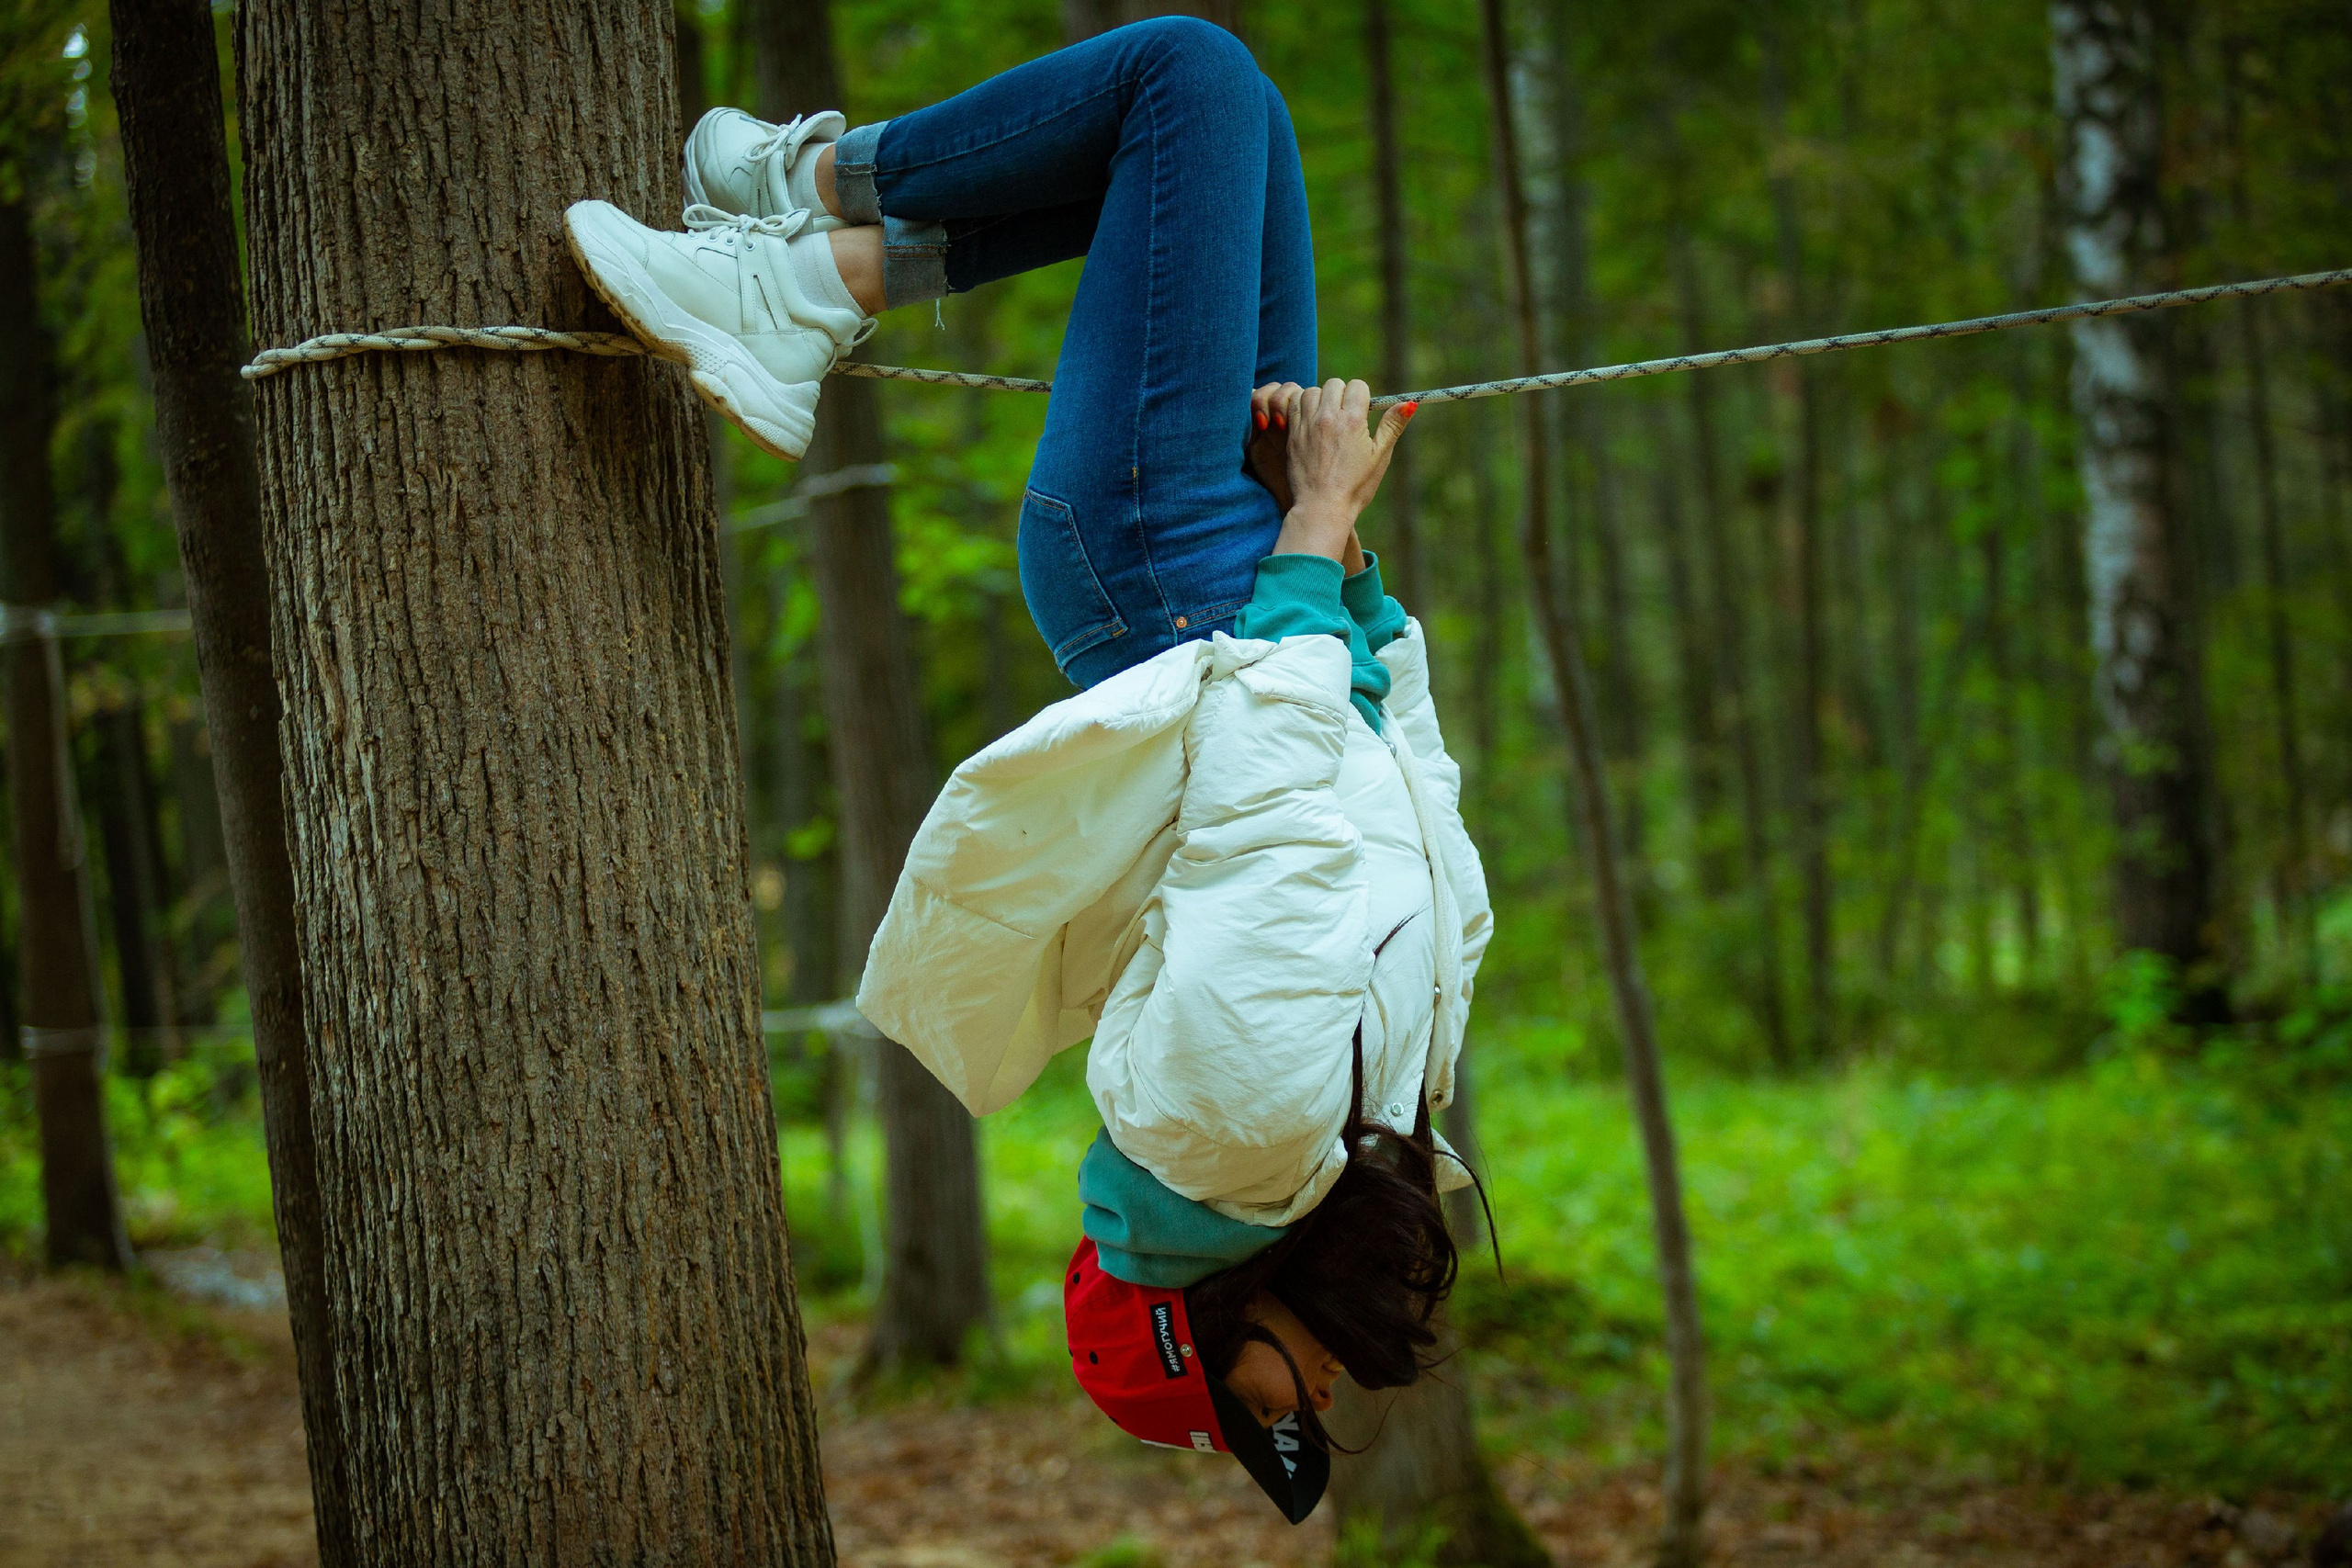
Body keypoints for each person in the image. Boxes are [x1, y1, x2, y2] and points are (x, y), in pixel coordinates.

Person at [566, 17, 1491, 1525]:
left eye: (1267, 1407)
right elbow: (1419, 834)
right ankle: (812, 274)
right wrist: (1361, 581)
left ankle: (808, 222)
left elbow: (1269, 816)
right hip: (1269, 590)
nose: (1316, 1398)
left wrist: (1315, 532)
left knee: (1181, 80)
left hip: (1171, 574)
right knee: (1231, 120)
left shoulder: (1227, 1133)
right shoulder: (1345, 1144)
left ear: (1198, 1318)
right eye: (1303, 1422)